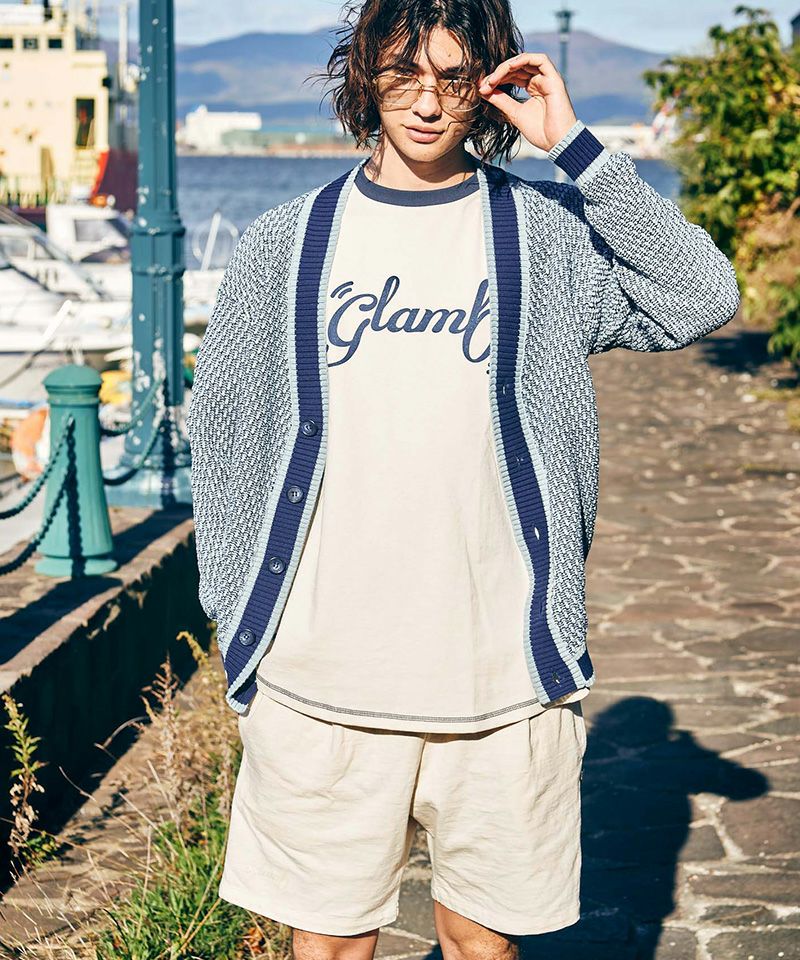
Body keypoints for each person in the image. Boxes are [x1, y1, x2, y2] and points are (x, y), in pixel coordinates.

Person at [185, 1, 740, 957]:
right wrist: (240, 626)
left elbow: (703, 294)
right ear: (364, 75)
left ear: (487, 86)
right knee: (328, 948)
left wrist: (575, 150)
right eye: (403, 74)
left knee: (483, 945)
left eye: (452, 78)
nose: (428, 103)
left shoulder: (542, 233)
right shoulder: (285, 244)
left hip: (504, 681)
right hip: (320, 681)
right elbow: (221, 430)